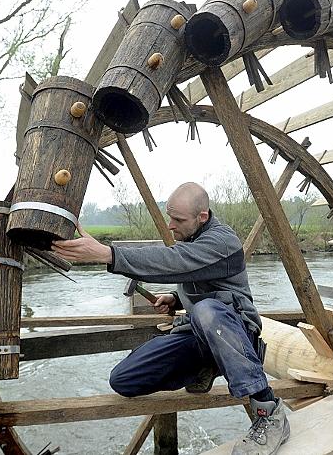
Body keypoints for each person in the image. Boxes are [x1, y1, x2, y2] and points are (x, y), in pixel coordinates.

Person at [52, 182, 290, 455]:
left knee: (205, 310)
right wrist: (176, 299)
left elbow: (175, 262)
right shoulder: (191, 239)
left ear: (202, 217)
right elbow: (195, 273)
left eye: (178, 219)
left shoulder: (224, 242)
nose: (170, 225)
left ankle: (268, 412)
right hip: (199, 334)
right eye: (169, 216)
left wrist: (108, 254)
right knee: (123, 379)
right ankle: (205, 368)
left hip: (236, 332)